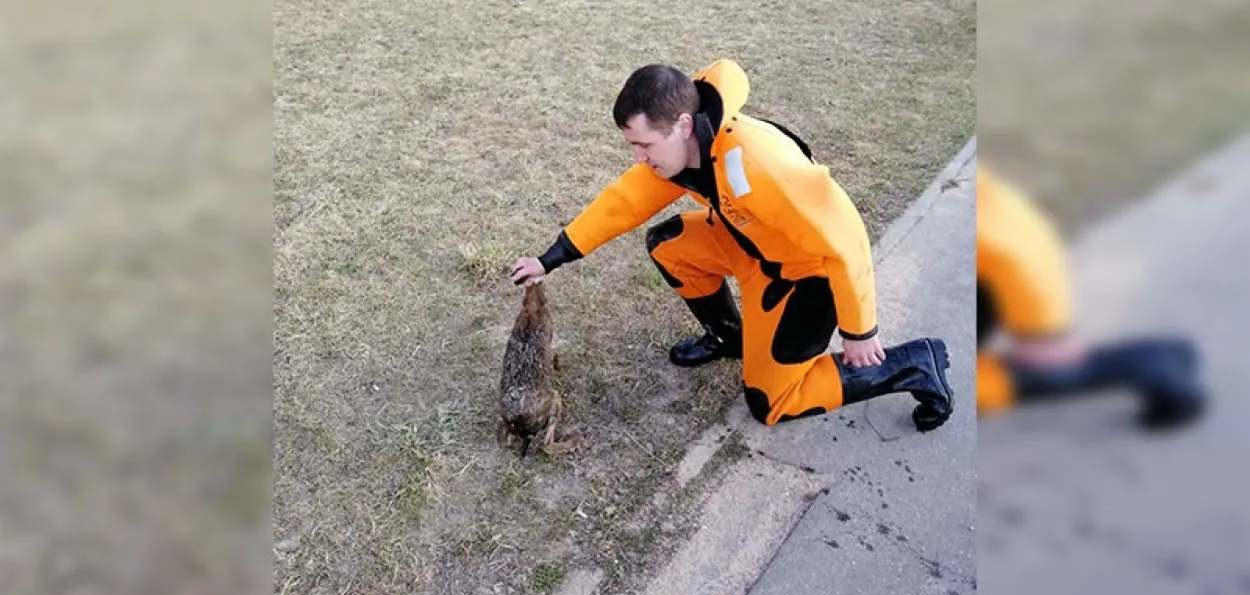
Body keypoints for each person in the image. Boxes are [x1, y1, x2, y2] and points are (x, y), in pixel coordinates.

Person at [509, 59, 954, 431]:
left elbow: (846, 240)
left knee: (771, 402)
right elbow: (623, 202)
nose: (639, 158)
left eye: (644, 144)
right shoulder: (686, 150)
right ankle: (730, 337)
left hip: (805, 280)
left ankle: (915, 363)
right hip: (754, 251)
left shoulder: (758, 163)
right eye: (633, 145)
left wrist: (860, 331)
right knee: (670, 245)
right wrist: (552, 258)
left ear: (682, 125)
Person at [975, 164, 1205, 427]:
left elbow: (1012, 254)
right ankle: (1163, 358)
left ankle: (1157, 368)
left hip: (1013, 269)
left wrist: (1041, 331)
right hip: (1001, 252)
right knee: (970, 375)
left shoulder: (997, 244)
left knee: (1042, 371)